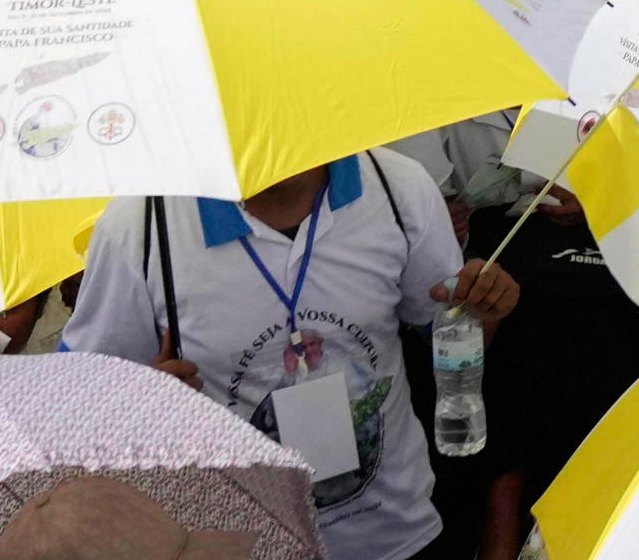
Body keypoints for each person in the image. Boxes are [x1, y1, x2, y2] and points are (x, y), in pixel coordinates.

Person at [61, 147, 519, 560]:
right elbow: (82, 398)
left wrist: (482, 310)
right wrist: (146, 405)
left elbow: (450, 332)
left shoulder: (396, 187)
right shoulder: (142, 226)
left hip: (396, 534)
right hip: (231, 543)